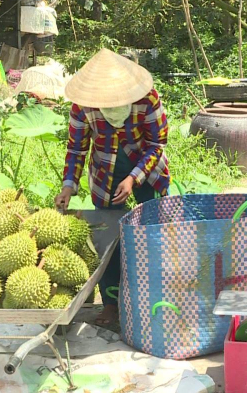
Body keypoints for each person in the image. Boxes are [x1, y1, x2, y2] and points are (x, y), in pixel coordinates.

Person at [55, 48, 170, 326]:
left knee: (151, 236)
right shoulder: (82, 106)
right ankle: (111, 304)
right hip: (104, 174)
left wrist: (133, 178)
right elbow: (76, 149)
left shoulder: (147, 99)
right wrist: (68, 186)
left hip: (147, 171)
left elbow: (157, 144)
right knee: (107, 242)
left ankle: (152, 298)